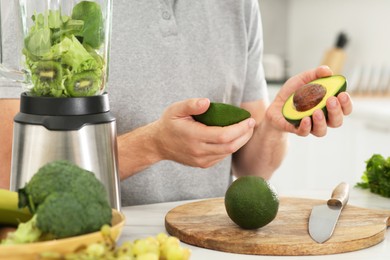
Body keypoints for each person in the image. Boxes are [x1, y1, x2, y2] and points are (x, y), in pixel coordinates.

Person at [0, 0, 352, 206]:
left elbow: (252, 169)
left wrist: (275, 127)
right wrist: (153, 145)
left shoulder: (238, 5)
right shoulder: (35, 8)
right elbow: (11, 177)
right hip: (94, 241)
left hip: (210, 238)